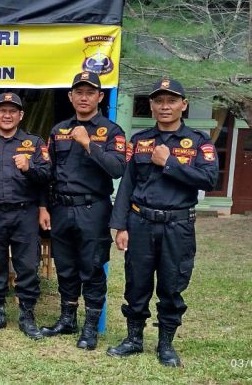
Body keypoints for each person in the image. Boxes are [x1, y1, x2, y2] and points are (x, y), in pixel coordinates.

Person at [106, 78, 217, 367]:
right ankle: (133, 339)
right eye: (159, 101)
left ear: (184, 104)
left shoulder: (199, 142)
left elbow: (209, 179)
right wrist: (120, 226)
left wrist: (170, 163)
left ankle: (165, 345)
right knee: (136, 283)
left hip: (177, 226)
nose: (165, 106)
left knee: (171, 285)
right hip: (140, 222)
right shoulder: (140, 140)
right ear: (152, 106)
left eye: (171, 100)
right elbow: (127, 184)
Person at [39, 71, 126, 350]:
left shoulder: (112, 131)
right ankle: (67, 319)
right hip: (61, 208)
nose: (84, 97)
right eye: (79, 92)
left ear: (100, 97)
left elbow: (117, 168)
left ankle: (90, 328)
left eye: (90, 93)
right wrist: (44, 206)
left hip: (93, 209)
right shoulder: (59, 130)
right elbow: (49, 172)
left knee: (92, 268)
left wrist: (88, 143)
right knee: (66, 267)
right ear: (70, 96)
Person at [0, 92, 51, 339]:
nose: (7, 115)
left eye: (12, 111)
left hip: (25, 214)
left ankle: (27, 315)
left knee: (28, 266)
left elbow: (47, 177)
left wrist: (29, 167)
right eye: (2, 111)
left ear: (21, 115)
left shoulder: (34, 143)